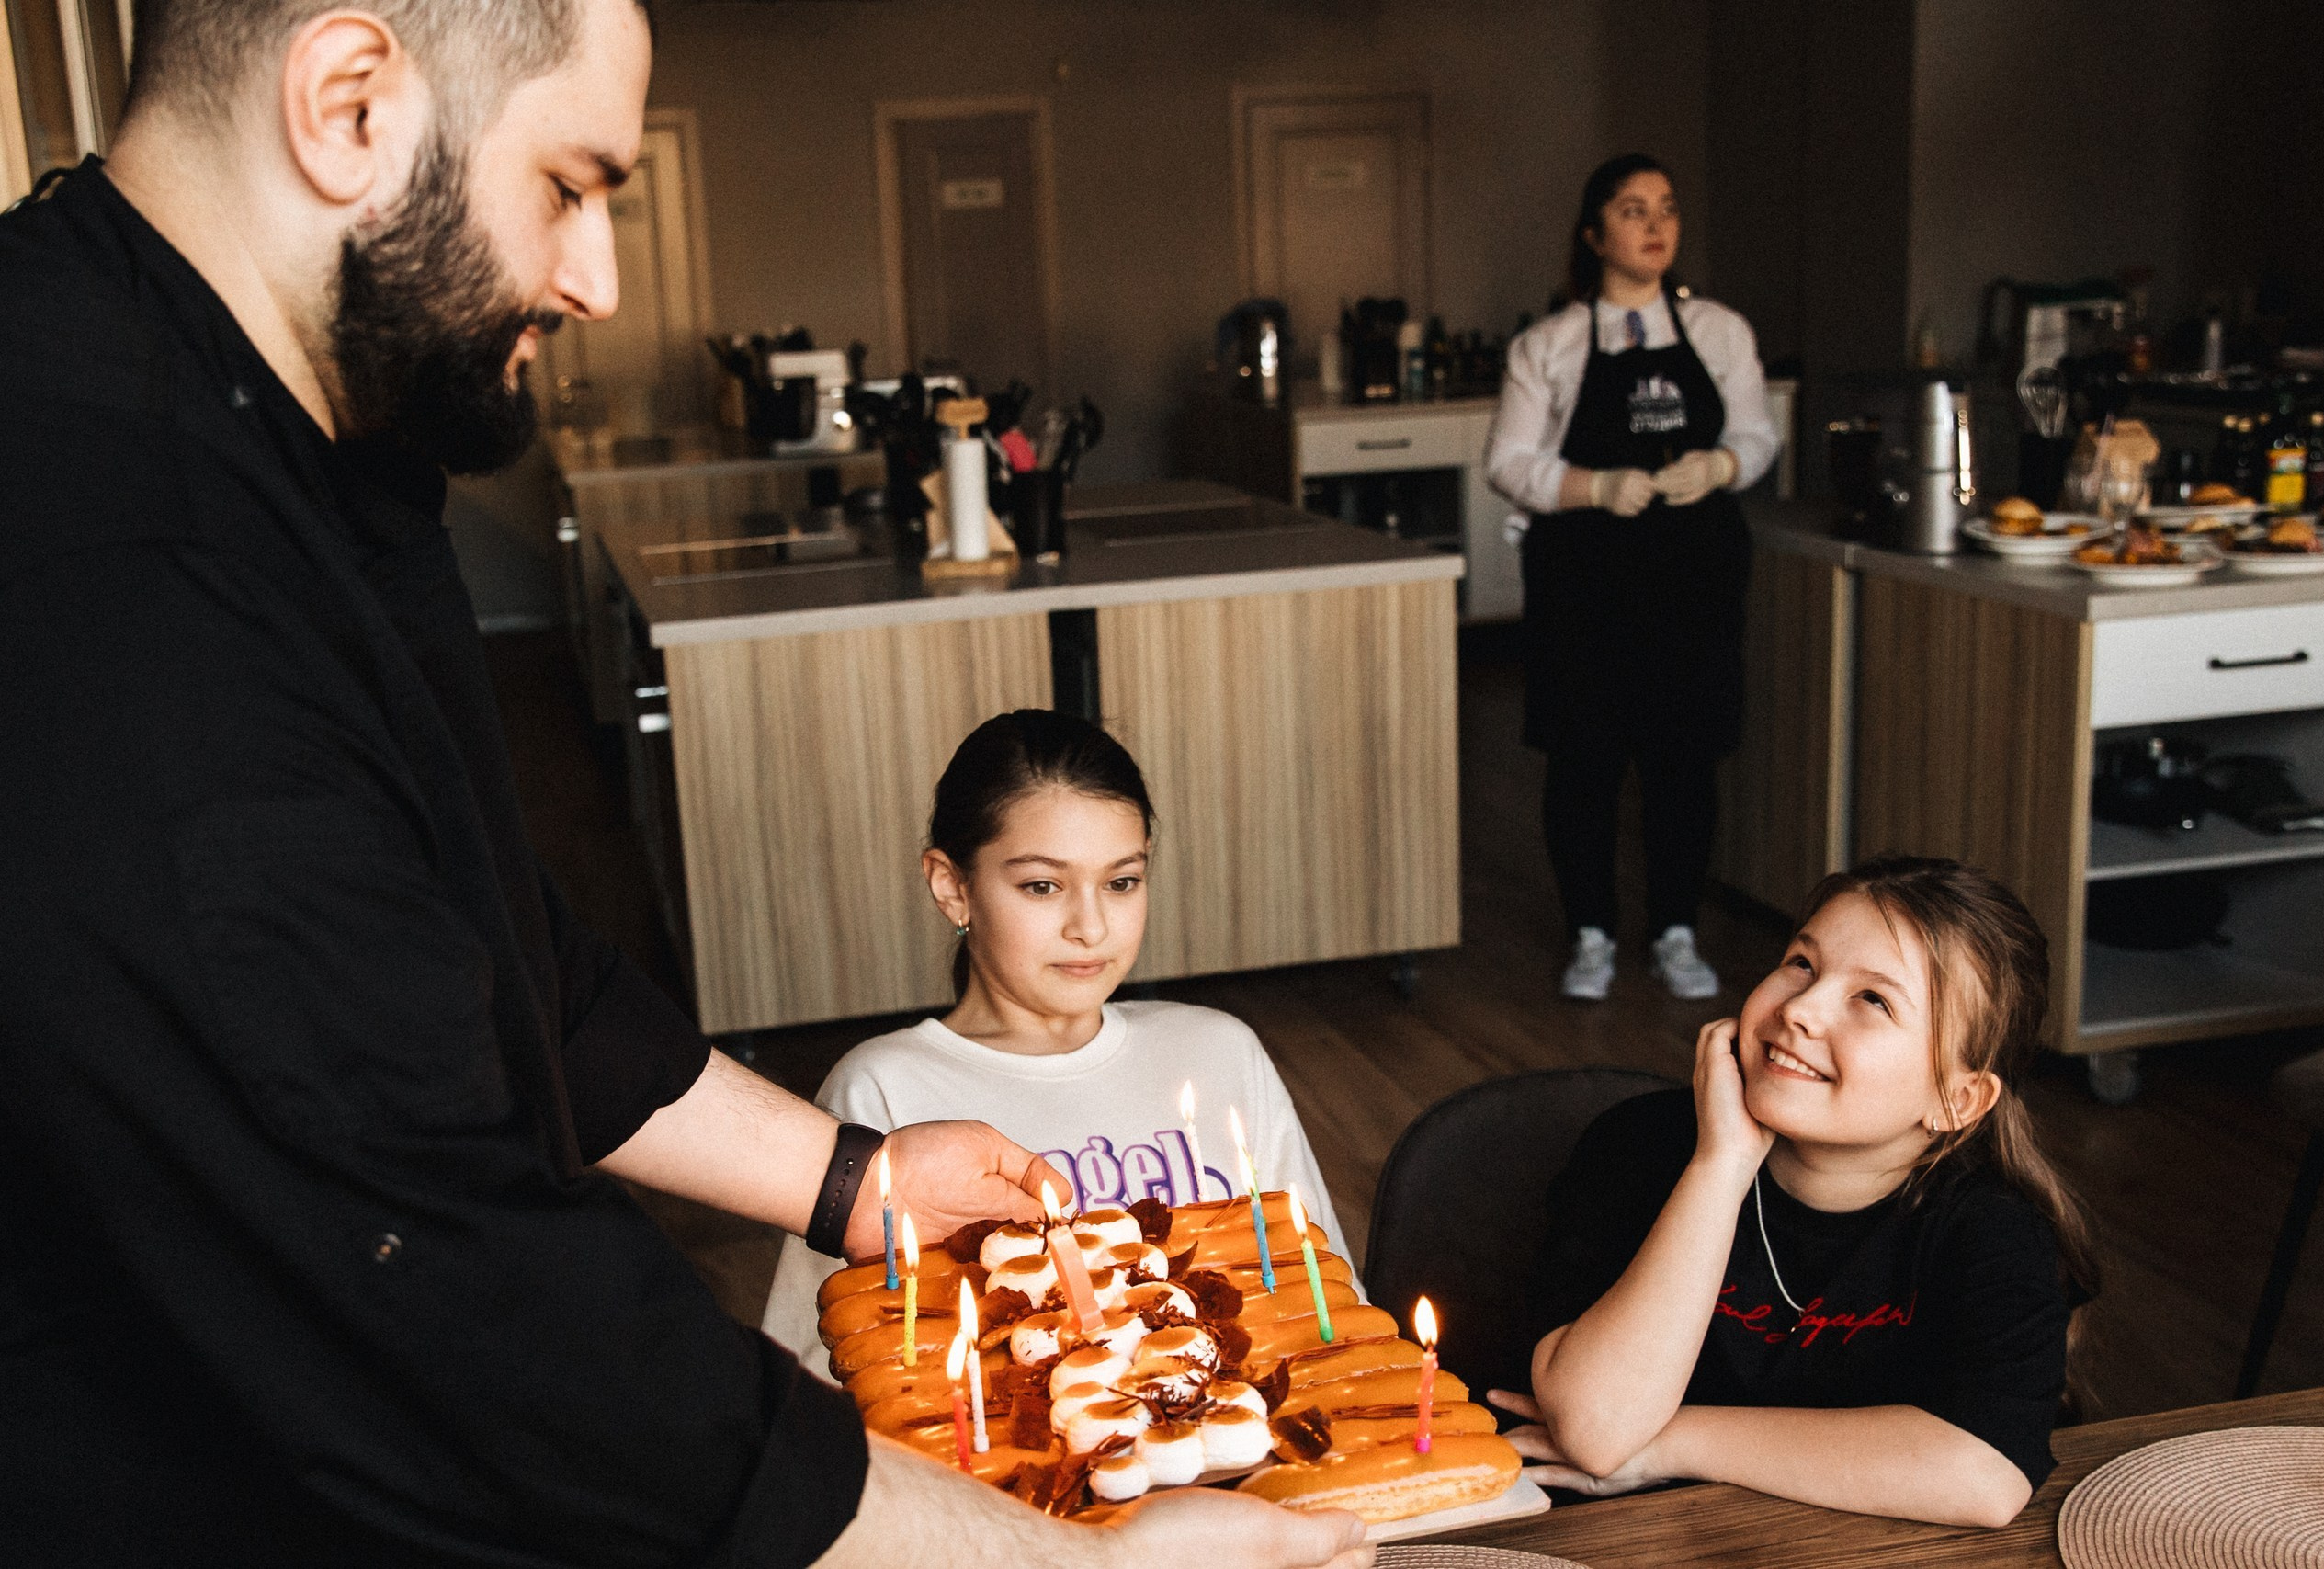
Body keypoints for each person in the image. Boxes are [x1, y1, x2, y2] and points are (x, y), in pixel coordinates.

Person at [0, 6, 1366, 1567]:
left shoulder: (306, 434)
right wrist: (1078, 1565)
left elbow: (504, 953)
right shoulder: (127, 553)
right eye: (570, 185)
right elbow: (457, 1297)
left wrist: (857, 1184)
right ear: (350, 103)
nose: (599, 280)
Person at [1499, 857, 2100, 1528]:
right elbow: (1598, 1429)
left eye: (1873, 999)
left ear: (1957, 1098)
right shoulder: (1637, 1147)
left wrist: (1671, 1442)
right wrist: (1720, 1164)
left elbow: (1984, 1473)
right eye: (1801, 963)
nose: (1800, 1009)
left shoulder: (1994, 1228)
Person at [765, 709, 1349, 1370]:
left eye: (1122, 881)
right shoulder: (884, 1088)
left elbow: (1325, 1298)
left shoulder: (1220, 1051)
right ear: (953, 888)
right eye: (1043, 885)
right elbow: (819, 1361)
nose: (1091, 927)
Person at [1484, 153, 1779, 1004]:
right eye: (1632, 210)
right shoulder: (1551, 346)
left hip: (1694, 576)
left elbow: (1760, 435)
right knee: (1584, 759)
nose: (1655, 226)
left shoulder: (1720, 332)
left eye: (1667, 209)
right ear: (1593, 233)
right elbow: (1506, 461)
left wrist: (1720, 466)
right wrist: (1592, 487)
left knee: (1683, 759)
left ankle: (1675, 928)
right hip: (1585, 579)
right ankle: (1591, 932)